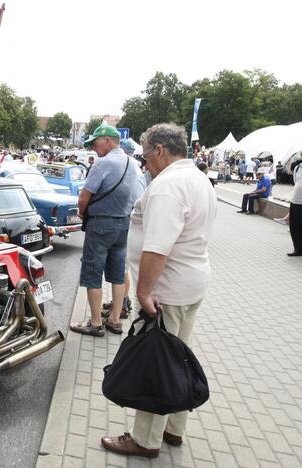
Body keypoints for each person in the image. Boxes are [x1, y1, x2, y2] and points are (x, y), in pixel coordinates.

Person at [101, 123, 217, 459]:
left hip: (167, 290)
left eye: (145, 153)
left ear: (160, 151)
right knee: (177, 358)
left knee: (157, 365)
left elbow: (157, 247)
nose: (143, 161)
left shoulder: (169, 186)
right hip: (190, 283)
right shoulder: (197, 178)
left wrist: (143, 291)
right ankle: (173, 429)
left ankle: (146, 440)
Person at [69, 123, 145, 337]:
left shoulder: (102, 164)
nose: (94, 147)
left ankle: (95, 323)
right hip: (123, 225)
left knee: (93, 273)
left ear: (109, 141)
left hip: (101, 224)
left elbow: (84, 196)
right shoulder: (133, 163)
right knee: (118, 275)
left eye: (96, 142)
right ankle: (114, 320)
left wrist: (82, 213)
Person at [287, 161, 302, 256]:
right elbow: (295, 181)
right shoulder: (297, 167)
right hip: (296, 201)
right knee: (294, 226)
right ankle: (298, 249)